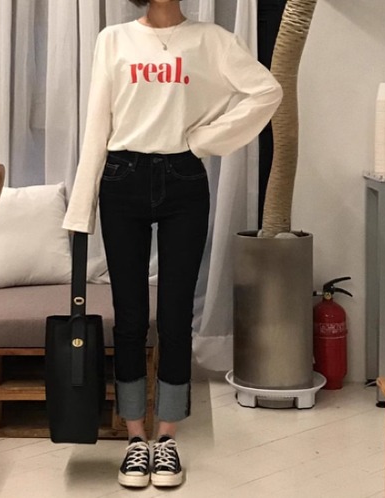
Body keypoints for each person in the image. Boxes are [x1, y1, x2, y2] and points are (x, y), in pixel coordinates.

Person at [63, 0, 282, 489]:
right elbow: (97, 123)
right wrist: (80, 210)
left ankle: (167, 439)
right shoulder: (114, 40)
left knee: (177, 315)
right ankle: (135, 440)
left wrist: (205, 140)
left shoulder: (212, 41)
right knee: (130, 316)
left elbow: (267, 91)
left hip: (184, 179)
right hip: (121, 176)